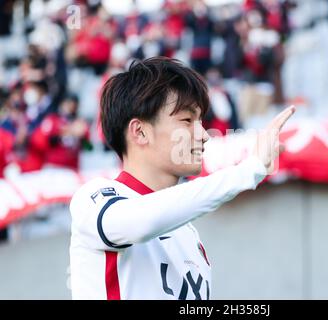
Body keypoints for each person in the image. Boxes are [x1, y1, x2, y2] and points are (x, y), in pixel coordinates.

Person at [69, 57, 295, 300]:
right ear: (140, 131)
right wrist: (249, 170)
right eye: (187, 121)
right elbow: (142, 221)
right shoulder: (94, 199)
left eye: (201, 121)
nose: (203, 135)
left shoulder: (188, 234)